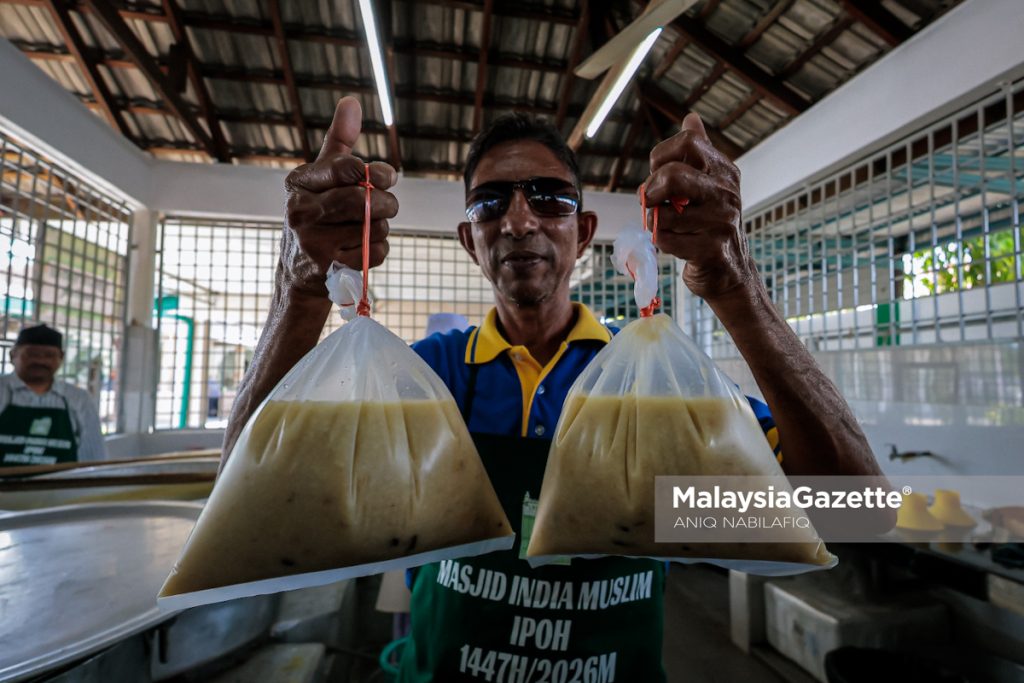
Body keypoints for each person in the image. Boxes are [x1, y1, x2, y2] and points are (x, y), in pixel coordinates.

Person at [223, 97, 889, 680]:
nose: (518, 221)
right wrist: (302, 288)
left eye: (548, 196)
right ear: (468, 238)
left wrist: (733, 282)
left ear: (584, 232)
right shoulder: (427, 379)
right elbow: (247, 498)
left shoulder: (653, 386)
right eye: (491, 202)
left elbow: (851, 512)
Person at [0, 324, 107, 466]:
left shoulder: (79, 399)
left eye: (49, 355)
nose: (40, 361)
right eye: (32, 354)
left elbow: (93, 457)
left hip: (60, 486)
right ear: (12, 355)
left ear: (61, 358)